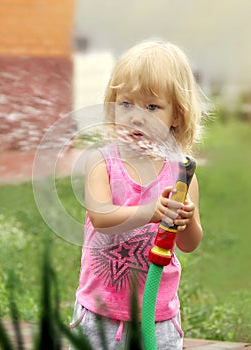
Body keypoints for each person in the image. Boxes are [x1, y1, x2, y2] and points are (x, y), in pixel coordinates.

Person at [69, 38, 204, 350]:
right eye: (126, 104)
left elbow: (189, 243)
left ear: (177, 115)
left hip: (157, 317)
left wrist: (187, 219)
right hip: (99, 314)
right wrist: (152, 212)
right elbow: (101, 217)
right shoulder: (102, 162)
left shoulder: (181, 173)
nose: (135, 116)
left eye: (152, 106)